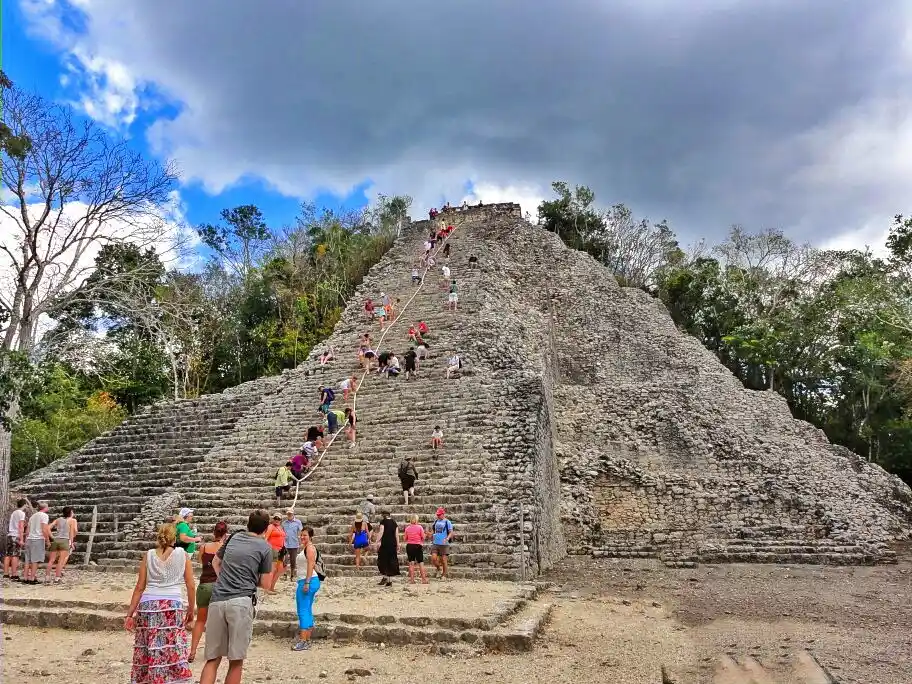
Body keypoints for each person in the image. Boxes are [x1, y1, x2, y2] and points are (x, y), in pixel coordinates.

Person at [199, 510, 273, 684]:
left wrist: (224, 579)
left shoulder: (234, 538)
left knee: (213, 658)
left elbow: (216, 562)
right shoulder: (265, 547)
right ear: (265, 528)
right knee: (236, 660)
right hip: (241, 601)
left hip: (218, 599)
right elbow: (266, 584)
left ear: (248, 524)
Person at [126, 523, 195, 683]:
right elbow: (190, 585)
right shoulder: (182, 554)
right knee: (173, 645)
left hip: (148, 605)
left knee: (148, 645)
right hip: (172, 604)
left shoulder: (148, 555)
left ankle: (148, 679)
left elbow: (139, 587)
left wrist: (130, 613)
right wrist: (191, 610)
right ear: (175, 537)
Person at [190, 520, 229, 663]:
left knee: (200, 620)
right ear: (225, 534)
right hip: (219, 587)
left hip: (204, 585)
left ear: (214, 532)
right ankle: (214, 652)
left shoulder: (204, 547)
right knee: (219, 621)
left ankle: (193, 650)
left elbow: (202, 562)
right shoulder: (225, 549)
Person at [292, 527, 325, 651]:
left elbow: (311, 565)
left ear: (310, 536)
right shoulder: (306, 548)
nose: (302, 537)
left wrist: (306, 582)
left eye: (305, 535)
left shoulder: (310, 548)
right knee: (307, 609)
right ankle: (307, 638)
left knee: (302, 610)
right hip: (308, 580)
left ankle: (303, 641)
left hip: (307, 581)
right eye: (301, 535)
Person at [46, 506, 77, 584]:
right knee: (61, 561)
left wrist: (52, 537)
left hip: (56, 540)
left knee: (51, 560)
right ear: (70, 513)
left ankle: (47, 577)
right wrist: (71, 543)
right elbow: (72, 533)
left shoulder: (58, 519)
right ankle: (57, 577)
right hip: (65, 540)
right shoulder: (72, 521)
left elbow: (48, 527)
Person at [23, 501, 50, 585]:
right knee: (35, 560)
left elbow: (27, 531)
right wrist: (47, 540)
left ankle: (25, 577)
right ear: (45, 508)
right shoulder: (44, 516)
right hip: (38, 539)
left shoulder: (32, 516)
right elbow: (44, 529)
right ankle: (32, 578)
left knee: (28, 560)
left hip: (29, 539)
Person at [373, 511, 400, 587]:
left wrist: (376, 541)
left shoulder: (383, 522)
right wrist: (398, 544)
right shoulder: (394, 522)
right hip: (393, 544)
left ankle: (385, 578)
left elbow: (381, 532)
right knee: (391, 561)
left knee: (383, 560)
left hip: (385, 543)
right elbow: (396, 534)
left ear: (383, 516)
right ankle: (389, 581)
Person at [4, 498, 27, 581]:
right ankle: (14, 574)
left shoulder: (14, 512)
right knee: (15, 555)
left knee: (8, 555)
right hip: (16, 535)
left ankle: (6, 573)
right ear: (24, 505)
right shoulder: (21, 513)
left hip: (10, 535)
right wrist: (21, 539)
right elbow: (21, 527)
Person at [404, 515, 429, 584]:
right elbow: (423, 538)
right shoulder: (419, 527)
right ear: (417, 520)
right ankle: (423, 580)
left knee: (411, 563)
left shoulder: (407, 528)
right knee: (420, 563)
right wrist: (426, 534)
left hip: (409, 546)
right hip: (418, 546)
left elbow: (405, 538)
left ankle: (412, 580)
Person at [431, 508, 454, 579]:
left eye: (439, 515)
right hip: (435, 543)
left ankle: (444, 575)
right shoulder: (435, 522)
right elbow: (433, 531)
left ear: (443, 514)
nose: (438, 516)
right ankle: (438, 569)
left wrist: (447, 538)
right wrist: (429, 534)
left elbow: (451, 532)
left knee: (444, 560)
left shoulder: (447, 522)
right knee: (433, 558)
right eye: (437, 515)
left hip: (444, 543)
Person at [265, 514, 286, 592]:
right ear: (273, 519)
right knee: (272, 569)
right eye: (275, 518)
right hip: (273, 549)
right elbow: (266, 538)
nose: (277, 520)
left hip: (281, 550)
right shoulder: (270, 527)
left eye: (278, 519)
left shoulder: (280, 527)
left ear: (281, 520)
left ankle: (271, 587)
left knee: (280, 569)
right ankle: (268, 588)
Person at [281, 510, 303, 580]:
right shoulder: (284, 523)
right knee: (285, 559)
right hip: (285, 544)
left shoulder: (298, 522)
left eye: (290, 514)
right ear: (287, 514)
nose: (289, 515)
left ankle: (292, 575)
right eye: (288, 514)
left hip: (294, 543)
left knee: (293, 560)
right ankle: (284, 574)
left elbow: (301, 531)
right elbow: (282, 532)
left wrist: (301, 541)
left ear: (293, 514)